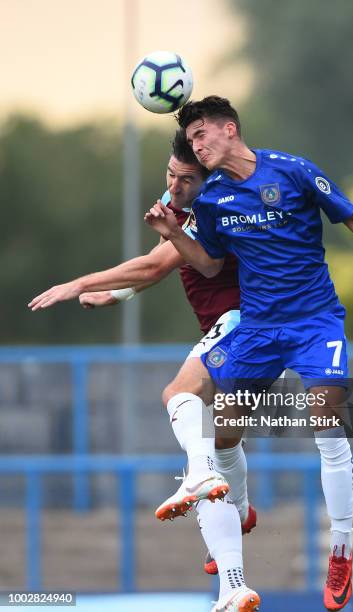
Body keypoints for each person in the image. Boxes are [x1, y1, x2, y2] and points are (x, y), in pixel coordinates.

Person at [145, 96, 353, 611]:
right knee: (225, 428)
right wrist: (173, 234)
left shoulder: (294, 171)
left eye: (201, 137)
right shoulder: (211, 198)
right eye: (190, 141)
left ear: (229, 130)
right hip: (259, 327)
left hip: (314, 320)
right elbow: (212, 267)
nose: (196, 147)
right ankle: (237, 509)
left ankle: (341, 549)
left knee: (324, 416)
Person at [28, 130, 261, 612]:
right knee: (223, 440)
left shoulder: (217, 204)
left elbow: (155, 266)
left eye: (185, 180)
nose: (174, 187)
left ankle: (203, 481)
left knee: (179, 398)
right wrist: (119, 293)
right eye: (169, 176)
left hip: (248, 321)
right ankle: (234, 583)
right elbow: (157, 264)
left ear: (209, 179)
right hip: (239, 326)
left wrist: (80, 283)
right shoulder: (182, 191)